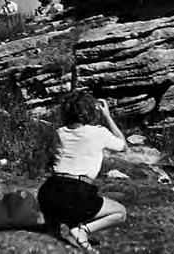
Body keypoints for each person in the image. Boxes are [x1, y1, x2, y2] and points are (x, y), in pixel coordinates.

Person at [38, 91, 127, 253]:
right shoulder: (98, 132)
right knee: (120, 212)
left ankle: (58, 228)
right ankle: (83, 231)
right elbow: (123, 145)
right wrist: (107, 116)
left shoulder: (60, 132)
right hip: (76, 193)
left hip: (48, 193)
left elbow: (52, 159)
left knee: (61, 220)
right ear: (90, 112)